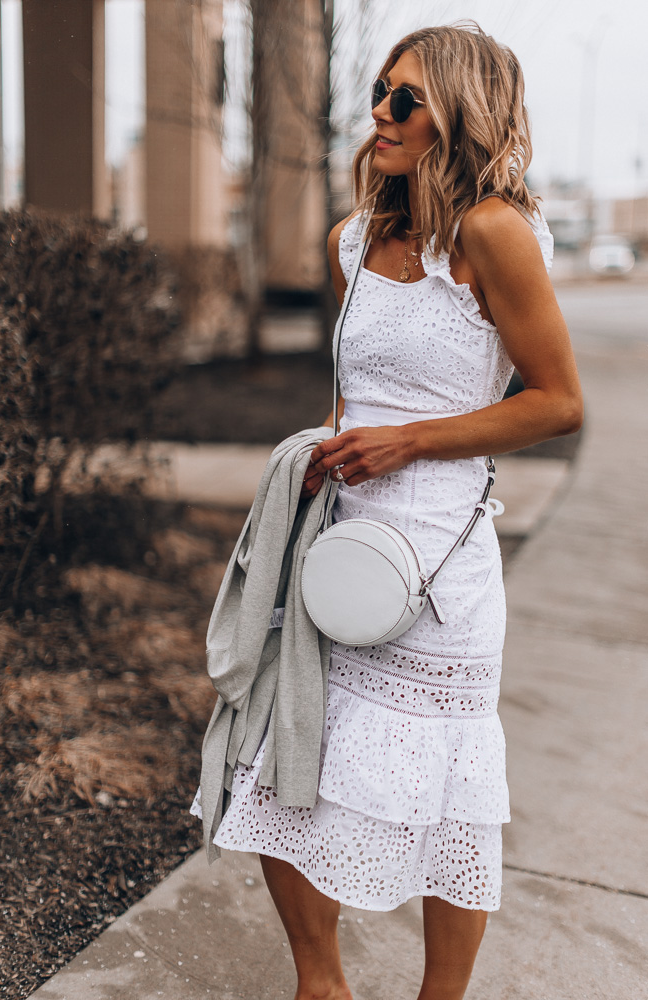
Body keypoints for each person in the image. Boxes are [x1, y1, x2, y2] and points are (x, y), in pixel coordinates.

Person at [192, 22, 583, 1000]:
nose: (380, 112)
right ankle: (319, 982)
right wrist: (321, 454)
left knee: (453, 796)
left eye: (405, 98)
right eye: (378, 92)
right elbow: (353, 399)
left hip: (441, 568)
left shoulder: (492, 234)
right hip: (336, 554)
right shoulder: (352, 241)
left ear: (457, 112)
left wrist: (409, 441)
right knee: (284, 753)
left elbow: (555, 401)